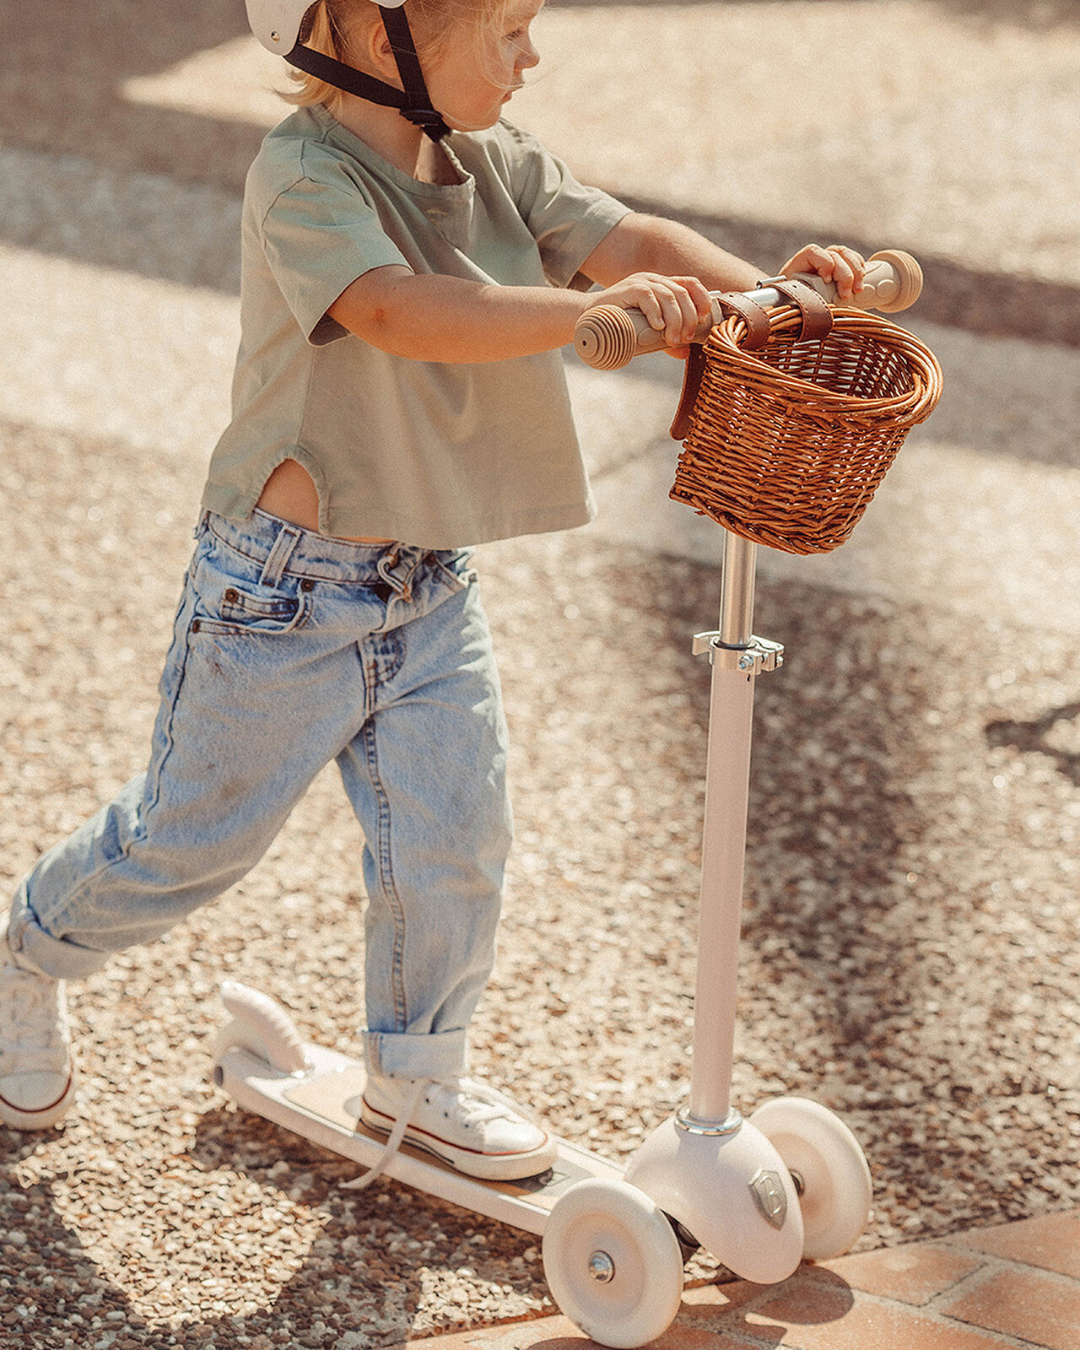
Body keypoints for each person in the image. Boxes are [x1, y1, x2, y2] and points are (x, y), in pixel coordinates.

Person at [0, 0, 865, 1176]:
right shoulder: (304, 176)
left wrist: (771, 291)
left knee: (455, 841)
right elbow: (402, 311)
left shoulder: (496, 162)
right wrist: (590, 316)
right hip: (283, 598)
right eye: (506, 27)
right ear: (377, 36)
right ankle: (27, 954)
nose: (531, 55)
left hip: (429, 587)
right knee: (185, 844)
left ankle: (417, 1072)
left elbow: (633, 241)